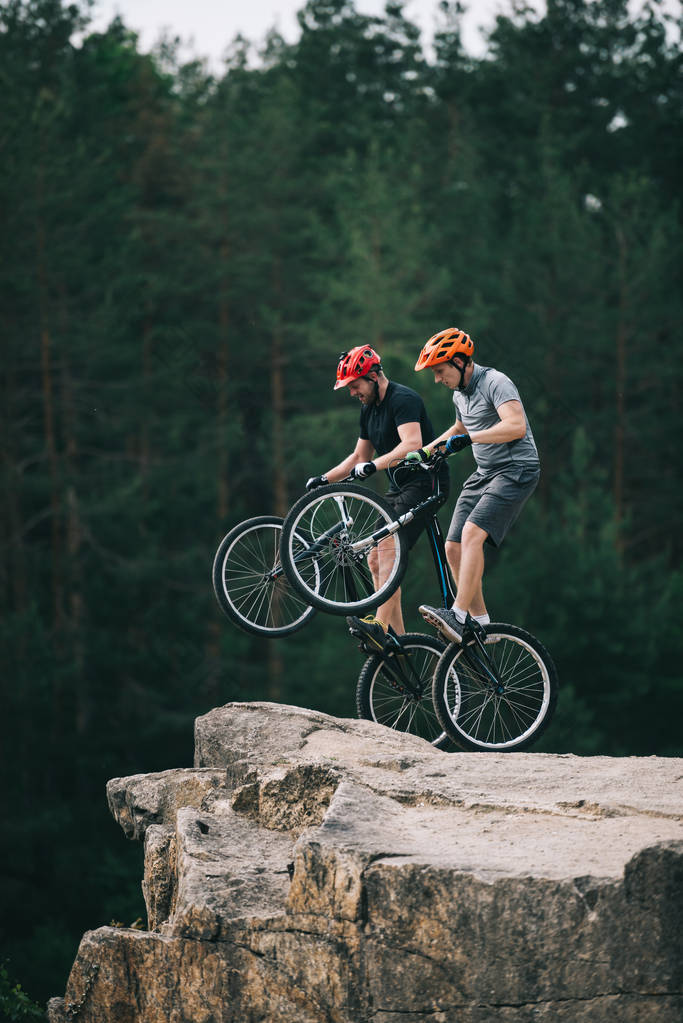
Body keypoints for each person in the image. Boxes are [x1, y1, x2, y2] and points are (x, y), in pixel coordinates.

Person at [306, 345, 449, 650]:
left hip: (426, 483)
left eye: (354, 385)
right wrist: (324, 479)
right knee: (375, 556)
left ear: (372, 376)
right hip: (399, 488)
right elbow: (359, 455)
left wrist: (373, 465)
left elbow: (412, 444)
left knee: (387, 549)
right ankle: (397, 638)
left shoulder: (404, 399)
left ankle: (381, 626)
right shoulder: (368, 408)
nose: (352, 393)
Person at [411, 327, 540, 643]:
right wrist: (427, 450)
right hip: (485, 473)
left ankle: (457, 614)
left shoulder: (496, 382)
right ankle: (482, 624)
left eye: (440, 371)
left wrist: (468, 439)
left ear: (459, 361)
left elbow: (515, 425)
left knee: (472, 534)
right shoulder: (460, 393)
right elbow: (458, 427)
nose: (438, 379)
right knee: (452, 547)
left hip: (516, 469)